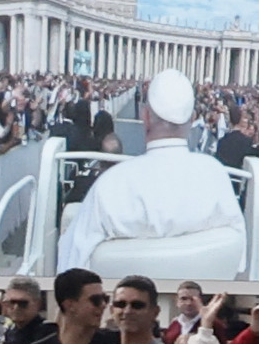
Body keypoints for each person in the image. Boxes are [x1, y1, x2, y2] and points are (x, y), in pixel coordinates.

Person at [53, 71, 243, 273]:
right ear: (193, 118)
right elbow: (239, 262)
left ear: (145, 117)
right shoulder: (216, 176)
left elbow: (71, 263)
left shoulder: (111, 184)